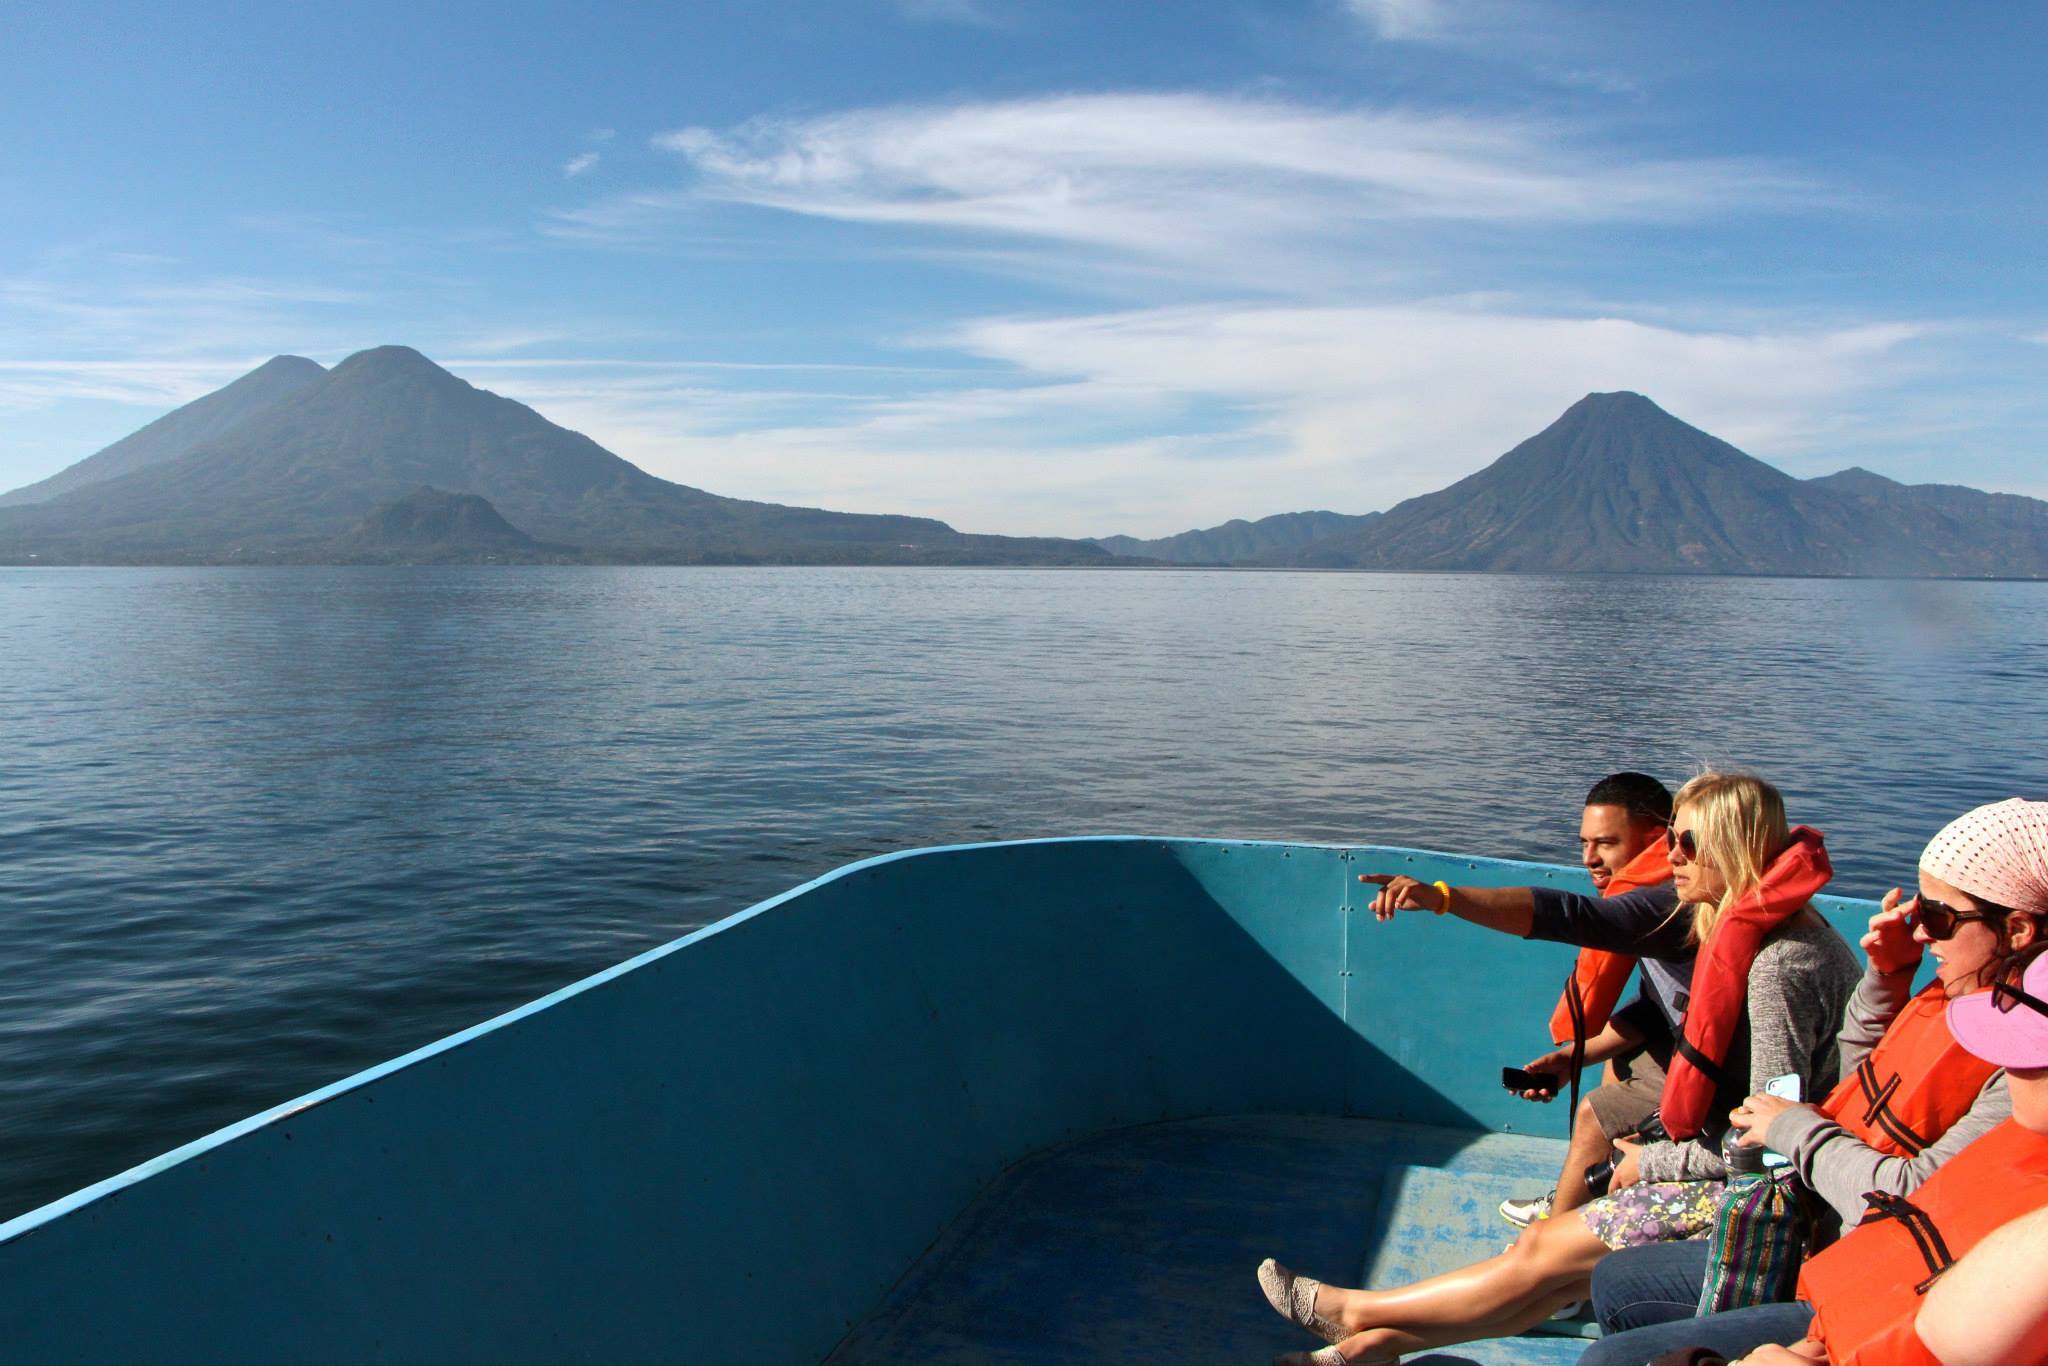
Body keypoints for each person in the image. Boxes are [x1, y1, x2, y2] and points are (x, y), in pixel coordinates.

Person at [1259, 772, 1858, 1365]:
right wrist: (1580, 1060)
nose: (1672, 856)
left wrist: (1653, 1162)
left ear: (1736, 848)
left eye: (1689, 843)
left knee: (1548, 1248)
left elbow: (1774, 1143)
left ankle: (1358, 1314)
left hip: (1781, 1207)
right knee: (1558, 1266)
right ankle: (1379, 1347)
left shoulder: (1781, 965)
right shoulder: (1745, 922)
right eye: (1671, 838)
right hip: (1753, 1172)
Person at [1582, 797, 2048, 1366]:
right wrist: (1888, 979)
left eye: (1938, 917)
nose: (1922, 933)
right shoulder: (1964, 995)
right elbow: (1863, 1086)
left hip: (1848, 1254)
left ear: (2018, 929)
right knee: (1614, 1281)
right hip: (1843, 1249)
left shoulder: (2023, 1059)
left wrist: (1793, 1130)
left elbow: (1903, 1190)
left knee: (1609, 1336)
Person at [1500, 771, 1676, 1227]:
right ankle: (1585, 1199)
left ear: (1658, 840)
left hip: (1739, 1073)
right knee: (1620, 1061)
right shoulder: (1654, 896)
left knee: (1597, 1112)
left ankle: (1549, 1255)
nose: (1590, 860)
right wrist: (1571, 1057)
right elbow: (1657, 1011)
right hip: (1683, 1038)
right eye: (1584, 843)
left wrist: (1443, 897)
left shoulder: (1667, 904)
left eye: (1607, 844)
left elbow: (1565, 916)